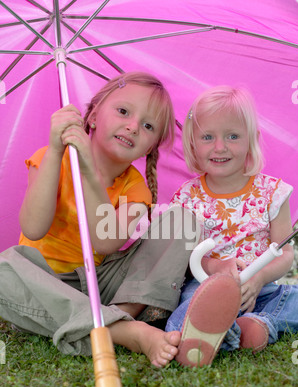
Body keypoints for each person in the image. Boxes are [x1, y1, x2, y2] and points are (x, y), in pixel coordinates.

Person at [0, 72, 200, 367]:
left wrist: (91, 176)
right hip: (44, 283)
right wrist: (56, 151)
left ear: (150, 147)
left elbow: (105, 242)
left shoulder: (135, 188)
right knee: (5, 268)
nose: (132, 126)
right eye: (123, 112)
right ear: (92, 117)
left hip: (101, 281)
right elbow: (33, 227)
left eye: (147, 126)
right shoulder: (50, 158)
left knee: (182, 220)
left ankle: (115, 316)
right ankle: (124, 330)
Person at [165, 85, 298, 367]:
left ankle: (253, 324)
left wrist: (258, 279)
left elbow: (284, 252)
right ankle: (212, 331)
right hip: (206, 287)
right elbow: (180, 255)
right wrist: (215, 269)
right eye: (207, 137)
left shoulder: (272, 192)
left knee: (291, 300)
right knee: (186, 312)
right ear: (192, 143)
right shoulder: (187, 197)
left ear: (252, 140)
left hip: (260, 289)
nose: (220, 147)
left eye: (233, 136)